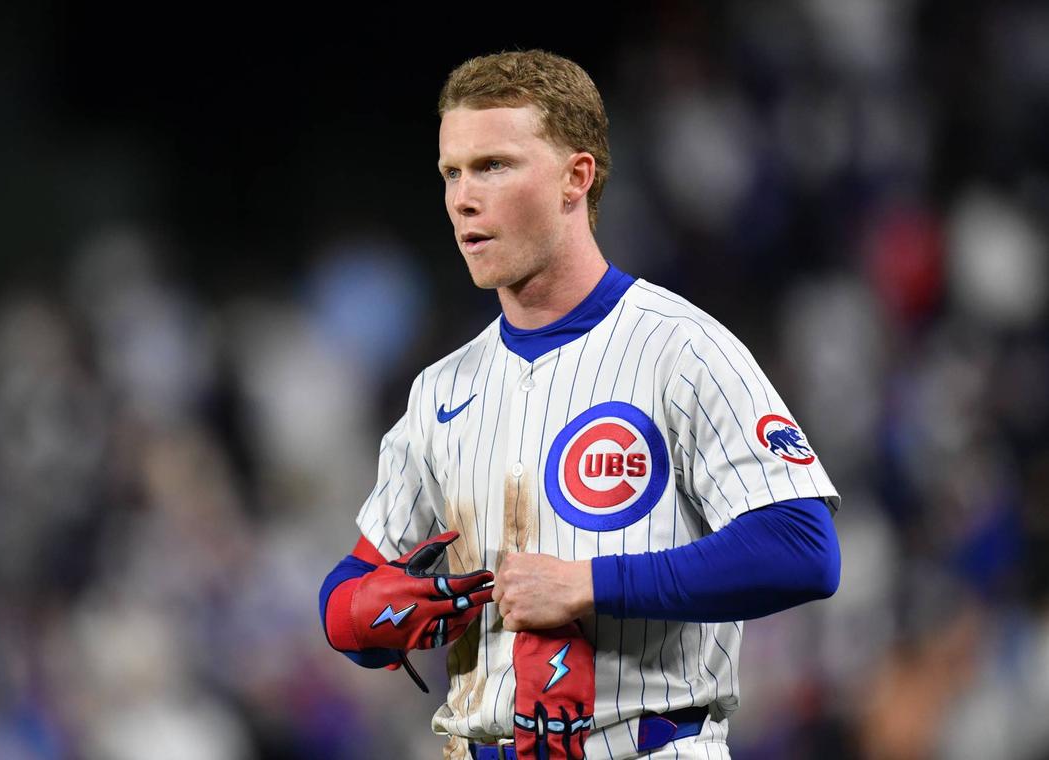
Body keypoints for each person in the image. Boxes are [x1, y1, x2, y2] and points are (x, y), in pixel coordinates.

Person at [319, 49, 841, 760]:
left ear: (576, 177)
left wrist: (592, 584)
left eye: (493, 166)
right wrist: (366, 617)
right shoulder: (441, 389)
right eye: (451, 172)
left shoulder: (679, 348)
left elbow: (803, 549)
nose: (462, 198)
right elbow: (351, 587)